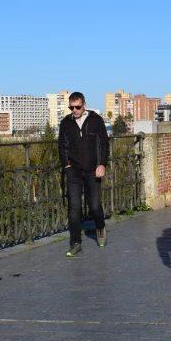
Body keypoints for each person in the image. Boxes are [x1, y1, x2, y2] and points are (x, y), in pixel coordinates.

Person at [58, 92, 109, 257]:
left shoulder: (96, 120)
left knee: (94, 205)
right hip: (73, 171)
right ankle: (75, 243)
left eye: (77, 107)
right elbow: (61, 146)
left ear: (84, 105)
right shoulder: (66, 123)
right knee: (74, 207)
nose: (74, 110)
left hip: (92, 170)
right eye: (71, 107)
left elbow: (104, 143)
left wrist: (102, 164)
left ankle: (100, 227)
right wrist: (66, 165)